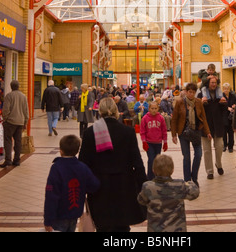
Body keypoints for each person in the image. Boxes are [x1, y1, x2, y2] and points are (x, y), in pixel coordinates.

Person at [79, 97, 147, 232]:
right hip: (124, 186)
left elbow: (83, 163)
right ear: (116, 111)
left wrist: (82, 189)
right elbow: (137, 162)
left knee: (102, 226)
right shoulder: (128, 132)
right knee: (122, 225)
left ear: (100, 111)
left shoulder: (89, 133)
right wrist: (143, 185)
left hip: (99, 188)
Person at [44, 134, 100, 232]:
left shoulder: (56, 168)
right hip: (75, 214)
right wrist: (83, 187)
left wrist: (48, 220)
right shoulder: (82, 167)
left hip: (59, 215)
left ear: (61, 151)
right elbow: (95, 185)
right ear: (77, 151)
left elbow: (51, 196)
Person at [137, 154, 199, 232]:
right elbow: (195, 193)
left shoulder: (147, 186)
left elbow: (141, 200)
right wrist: (189, 183)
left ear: (153, 170)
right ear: (172, 170)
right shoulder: (179, 185)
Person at [171, 82, 211, 186]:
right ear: (186, 92)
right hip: (183, 132)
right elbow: (174, 119)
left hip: (196, 131)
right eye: (189, 92)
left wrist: (207, 132)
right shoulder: (180, 102)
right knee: (187, 157)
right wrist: (173, 135)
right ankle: (187, 180)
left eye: (193, 92)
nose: (191, 94)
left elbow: (204, 118)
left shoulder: (198, 102)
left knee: (198, 154)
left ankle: (194, 177)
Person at [198, 77, 227, 179]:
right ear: (208, 84)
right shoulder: (201, 94)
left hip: (218, 125)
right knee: (207, 150)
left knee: (219, 147)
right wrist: (201, 102)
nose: (214, 84)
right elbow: (196, 109)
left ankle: (218, 164)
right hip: (205, 126)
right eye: (212, 83)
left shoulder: (220, 94)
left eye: (215, 83)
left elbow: (224, 110)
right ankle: (209, 171)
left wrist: (224, 103)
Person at [0, 80, 29, 168]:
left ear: (11, 86)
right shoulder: (23, 96)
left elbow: (5, 110)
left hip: (10, 122)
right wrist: (25, 122)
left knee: (8, 140)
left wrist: (5, 119)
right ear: (18, 86)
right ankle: (17, 160)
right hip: (20, 122)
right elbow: (26, 111)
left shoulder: (9, 96)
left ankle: (8, 160)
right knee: (18, 141)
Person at [140, 101, 168, 180]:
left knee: (157, 160)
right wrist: (144, 142)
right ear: (149, 109)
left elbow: (164, 131)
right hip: (149, 143)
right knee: (151, 159)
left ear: (158, 108)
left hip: (158, 143)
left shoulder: (161, 118)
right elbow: (142, 131)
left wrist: (165, 142)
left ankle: (157, 176)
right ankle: (150, 177)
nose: (154, 110)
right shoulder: (145, 118)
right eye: (152, 108)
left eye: (155, 108)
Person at [222, 83, 236, 153]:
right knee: (224, 132)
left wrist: (234, 106)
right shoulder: (221, 96)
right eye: (225, 89)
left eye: (227, 89)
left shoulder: (233, 96)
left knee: (231, 132)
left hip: (231, 117)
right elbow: (220, 105)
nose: (226, 90)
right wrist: (227, 108)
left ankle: (230, 146)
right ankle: (224, 145)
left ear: (229, 89)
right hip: (224, 116)